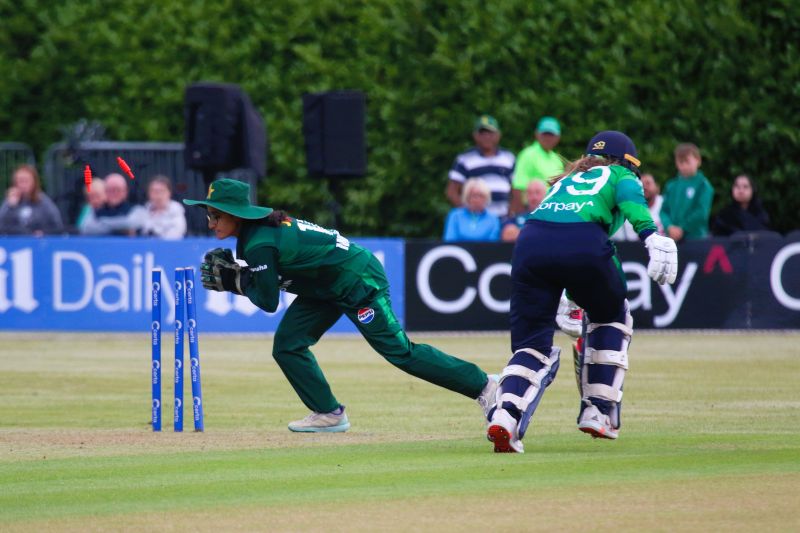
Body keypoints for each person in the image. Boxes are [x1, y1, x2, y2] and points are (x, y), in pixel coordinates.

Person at [183, 178, 498, 433]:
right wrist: (243, 279)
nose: (210, 223)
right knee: (288, 345)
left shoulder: (259, 243)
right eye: (209, 215)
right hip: (325, 286)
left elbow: (267, 301)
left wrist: (237, 282)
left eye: (215, 216)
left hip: (358, 281)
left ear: (236, 214)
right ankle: (328, 413)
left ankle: (485, 385)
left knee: (401, 352)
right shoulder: (257, 235)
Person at [485, 131, 678, 453]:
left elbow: (555, 233)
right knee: (612, 316)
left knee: (531, 345)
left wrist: (569, 292)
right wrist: (650, 235)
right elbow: (629, 198)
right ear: (627, 162)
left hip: (529, 242)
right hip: (584, 242)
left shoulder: (565, 179)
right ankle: (598, 411)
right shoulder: (621, 174)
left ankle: (505, 415)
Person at [445, 115, 515, 218]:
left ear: (498, 135)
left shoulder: (509, 158)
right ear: (475, 136)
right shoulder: (465, 159)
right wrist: (466, 213)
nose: (486, 137)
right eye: (482, 133)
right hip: (476, 220)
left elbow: (516, 189)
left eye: (490, 133)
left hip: (503, 218)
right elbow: (452, 191)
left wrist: (512, 212)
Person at [509, 116, 564, 215]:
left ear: (558, 137)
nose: (548, 138)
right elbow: (518, 188)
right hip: (532, 212)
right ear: (537, 134)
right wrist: (521, 217)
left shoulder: (557, 159)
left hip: (553, 212)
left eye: (551, 135)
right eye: (545, 134)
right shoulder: (527, 155)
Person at [660, 143, 714, 241]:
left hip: (695, 239)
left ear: (698, 161)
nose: (684, 166)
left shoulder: (703, 185)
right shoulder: (671, 185)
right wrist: (669, 227)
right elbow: (664, 211)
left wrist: (682, 228)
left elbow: (701, 213)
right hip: (672, 239)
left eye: (687, 161)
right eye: (681, 162)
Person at [0, 164, 64, 236]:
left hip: (38, 241)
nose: (23, 185)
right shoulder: (9, 202)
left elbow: (57, 226)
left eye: (26, 181)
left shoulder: (44, 201)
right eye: (20, 181)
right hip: (14, 241)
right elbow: (2, 226)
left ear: (34, 182)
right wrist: (11, 207)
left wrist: (44, 233)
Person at [80, 173, 145, 236]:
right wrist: (123, 229)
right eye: (111, 190)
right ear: (105, 191)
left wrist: (102, 223)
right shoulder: (95, 211)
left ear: (125, 192)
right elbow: (86, 228)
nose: (115, 193)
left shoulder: (136, 209)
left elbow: (136, 223)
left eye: (118, 190)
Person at [611, 173, 664, 241]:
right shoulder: (626, 207)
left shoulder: (665, 205)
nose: (644, 187)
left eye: (648, 183)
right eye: (640, 184)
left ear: (657, 187)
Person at [140, 175, 187, 239]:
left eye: (162, 191)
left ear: (169, 193)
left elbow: (177, 233)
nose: (158, 195)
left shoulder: (176, 209)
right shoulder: (144, 209)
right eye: (154, 191)